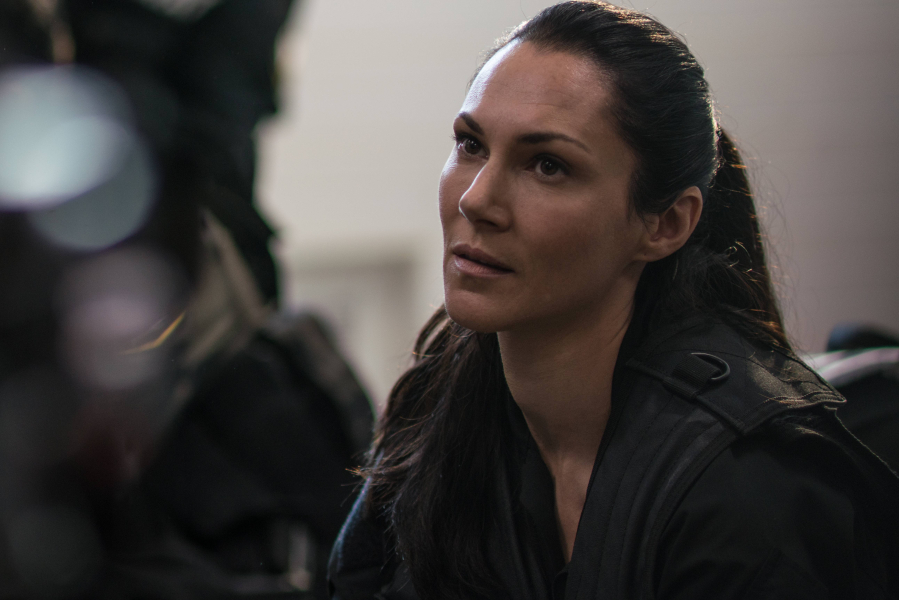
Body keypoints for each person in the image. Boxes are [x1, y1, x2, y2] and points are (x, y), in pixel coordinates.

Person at [327, 2, 899, 599]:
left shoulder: (750, 487)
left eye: (547, 165)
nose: (476, 199)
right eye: (471, 144)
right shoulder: (437, 404)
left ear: (665, 224)